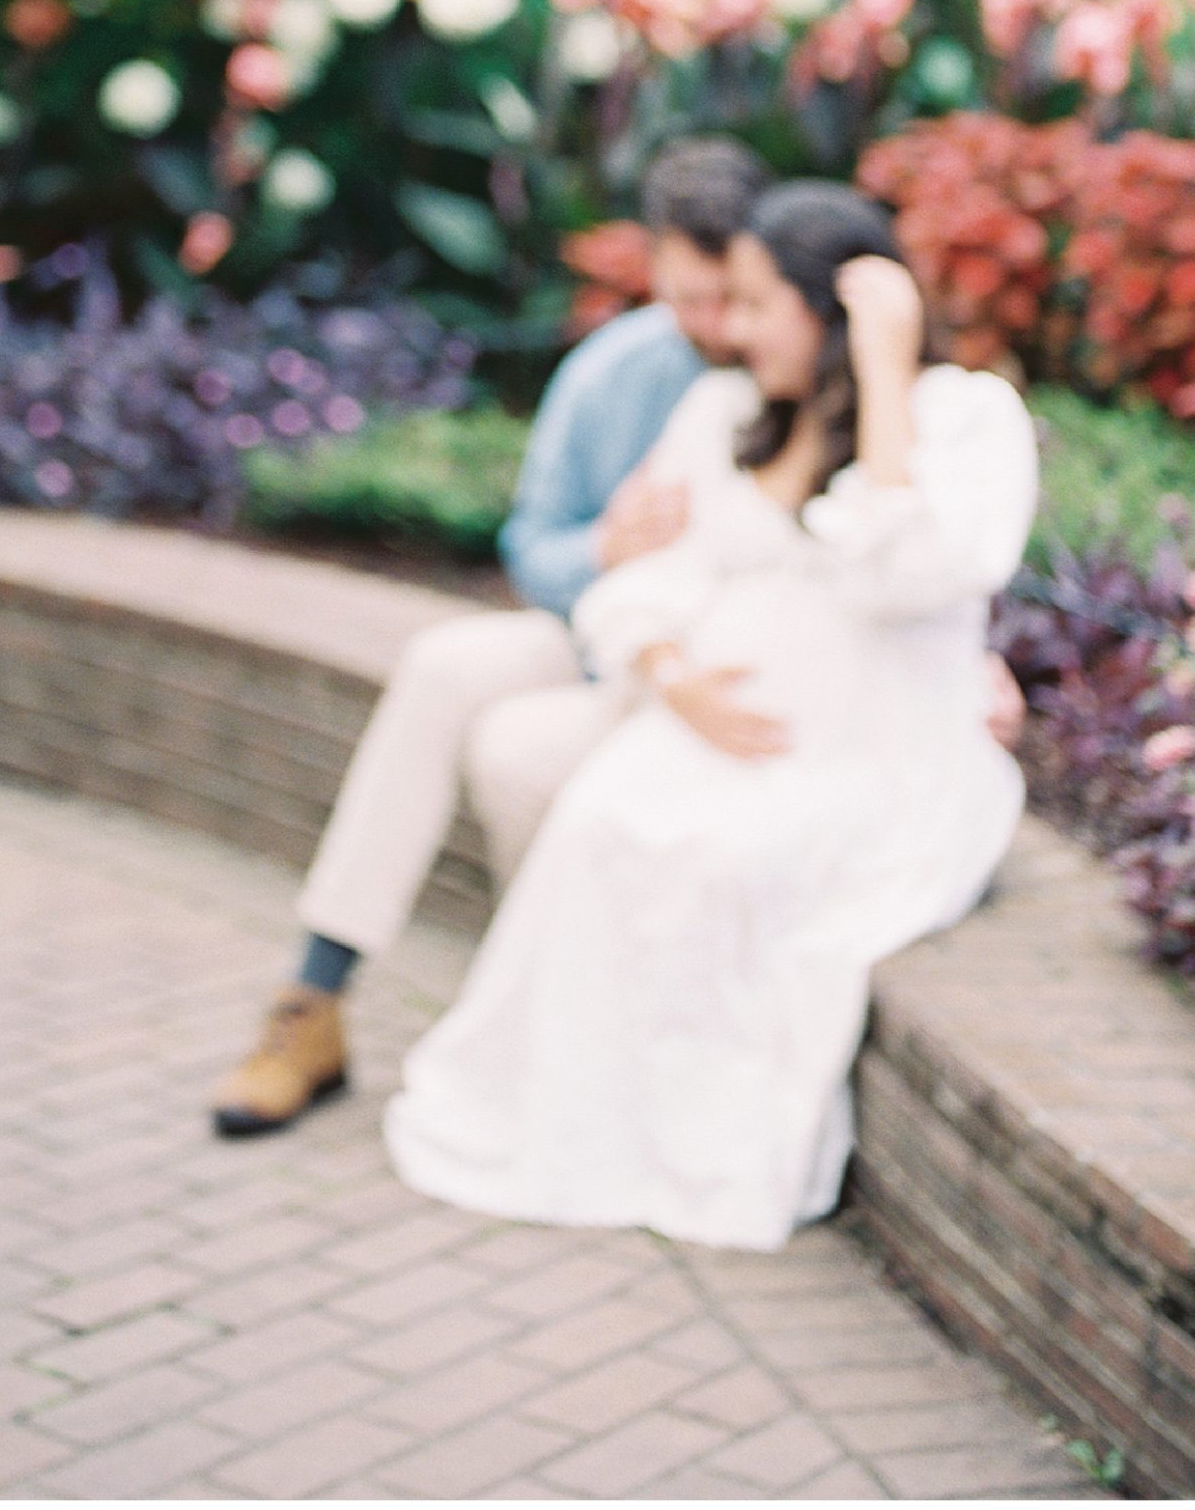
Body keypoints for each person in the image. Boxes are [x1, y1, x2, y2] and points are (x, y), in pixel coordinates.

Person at [382, 182, 1038, 1251]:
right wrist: (666, 668)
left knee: (723, 863)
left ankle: (685, 1139)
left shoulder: (963, 417)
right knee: (602, 822)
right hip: (706, 733)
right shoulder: (726, 412)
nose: (728, 332)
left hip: (877, 760)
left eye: (755, 304)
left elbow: (908, 574)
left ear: (829, 313)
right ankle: (583, 1116)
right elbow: (655, 568)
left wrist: (882, 369)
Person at [208, 136, 774, 1137]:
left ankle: (544, 1016)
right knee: (440, 665)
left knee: (507, 744)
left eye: (732, 296)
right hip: (597, 638)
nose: (716, 325)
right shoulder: (612, 373)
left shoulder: (795, 369)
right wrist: (604, 546)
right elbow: (529, 545)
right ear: (651, 266)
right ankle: (314, 998)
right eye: (690, 298)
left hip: (709, 672)